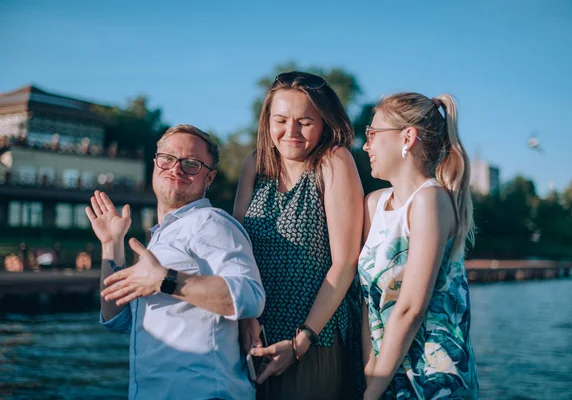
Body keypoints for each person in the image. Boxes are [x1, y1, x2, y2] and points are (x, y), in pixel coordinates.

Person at [86, 124, 266, 400]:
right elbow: (117, 319)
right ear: (155, 164)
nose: (176, 168)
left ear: (209, 178)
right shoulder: (162, 237)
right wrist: (111, 245)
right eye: (167, 159)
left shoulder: (211, 223)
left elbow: (250, 296)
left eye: (191, 163)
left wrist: (166, 279)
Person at [233, 71, 365, 400]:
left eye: (304, 122)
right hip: (254, 339)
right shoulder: (255, 164)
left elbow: (345, 263)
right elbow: (235, 253)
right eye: (281, 120)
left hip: (313, 341)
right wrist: (246, 317)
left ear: (323, 122)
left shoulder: (334, 162)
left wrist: (300, 342)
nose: (290, 132)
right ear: (267, 122)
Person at [359, 93, 479, 399]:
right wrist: (371, 370)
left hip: (432, 380)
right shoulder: (374, 204)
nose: (365, 145)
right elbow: (367, 300)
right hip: (387, 373)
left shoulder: (430, 200)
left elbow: (411, 308)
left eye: (372, 134)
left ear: (407, 137)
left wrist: (371, 390)